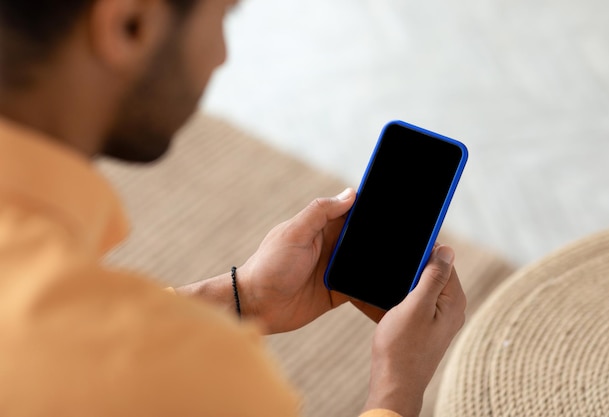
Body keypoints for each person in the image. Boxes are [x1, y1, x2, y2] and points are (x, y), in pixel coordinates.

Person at [0, 0, 466, 416]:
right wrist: (396, 389)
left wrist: (243, 297)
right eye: (225, 13)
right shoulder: (191, 377)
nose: (222, 54)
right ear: (131, 23)